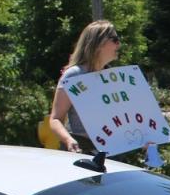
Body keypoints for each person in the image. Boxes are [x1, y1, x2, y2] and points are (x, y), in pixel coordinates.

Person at [47, 20, 122, 154]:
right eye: (115, 40)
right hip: (82, 149)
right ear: (99, 43)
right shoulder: (74, 75)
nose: (119, 44)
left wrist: (142, 138)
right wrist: (68, 140)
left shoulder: (113, 77)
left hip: (111, 149)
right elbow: (55, 119)